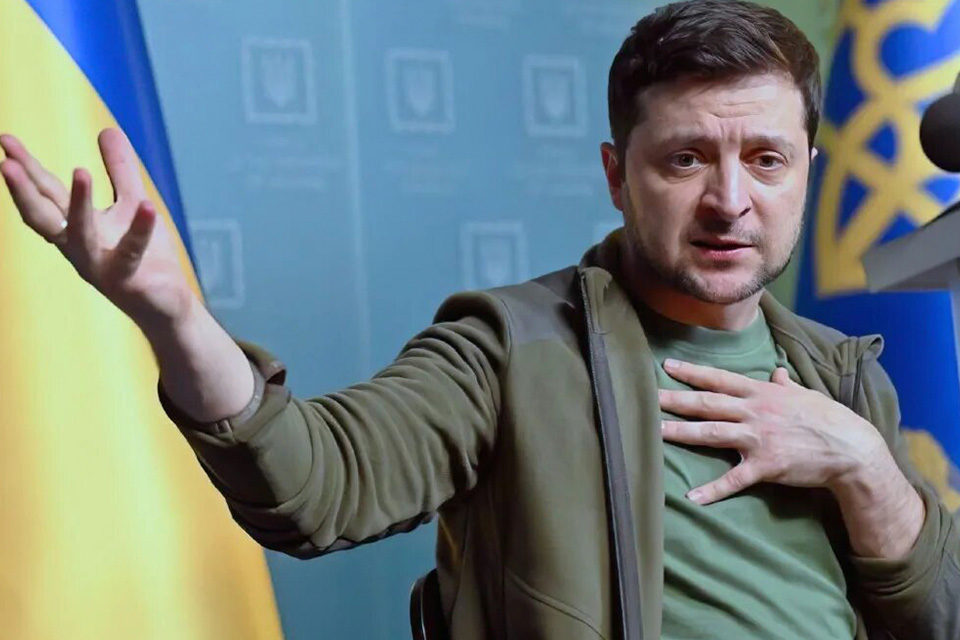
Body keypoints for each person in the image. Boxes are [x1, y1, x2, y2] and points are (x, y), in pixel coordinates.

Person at [3, 1, 958, 638]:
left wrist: (864, 466)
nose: (730, 200)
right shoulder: (513, 348)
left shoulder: (841, 373)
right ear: (616, 175)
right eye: (685, 160)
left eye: (766, 159)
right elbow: (314, 486)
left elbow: (939, 616)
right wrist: (175, 318)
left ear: (807, 173)